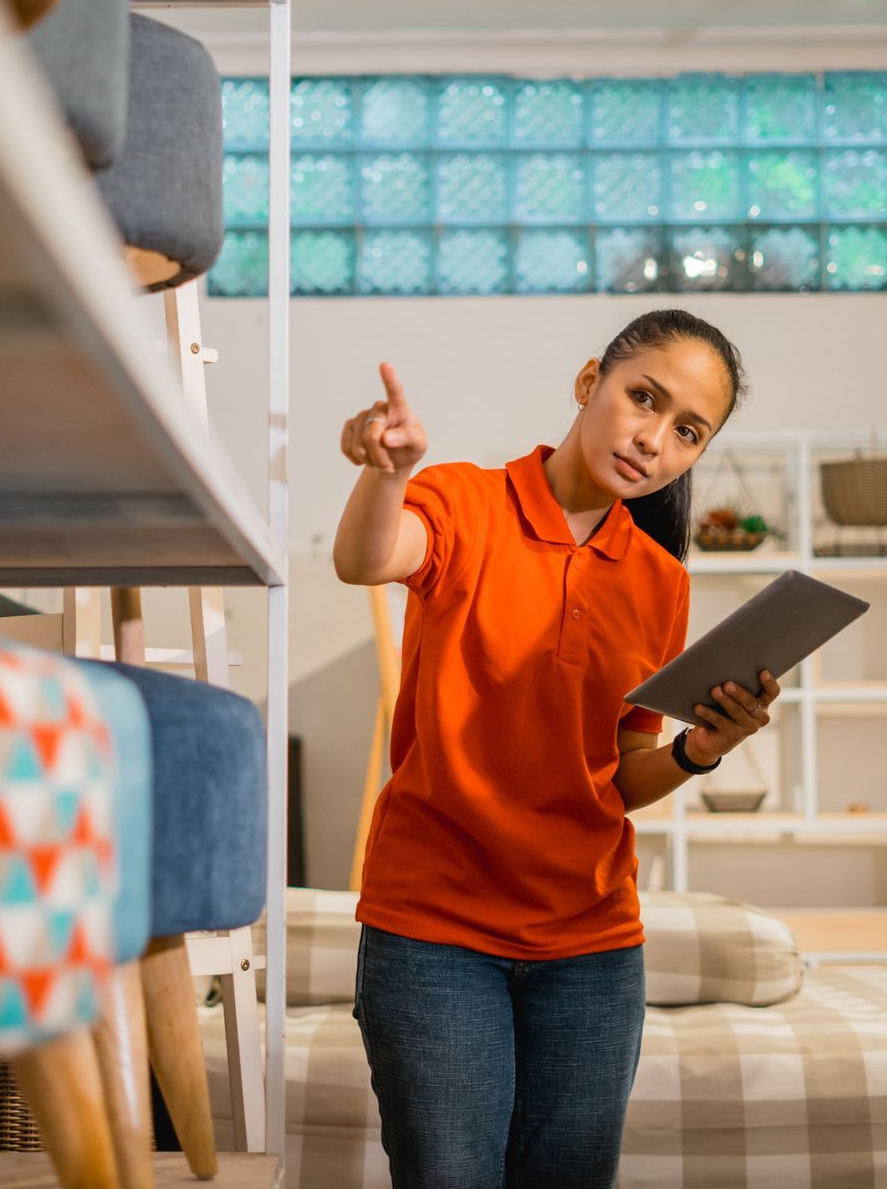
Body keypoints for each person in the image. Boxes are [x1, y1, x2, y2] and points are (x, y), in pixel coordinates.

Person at [332, 309, 780, 1189]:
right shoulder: (463, 500)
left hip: (593, 945)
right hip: (434, 933)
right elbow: (367, 557)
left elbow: (618, 777)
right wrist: (387, 475)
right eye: (641, 398)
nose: (653, 440)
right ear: (589, 384)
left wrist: (700, 751)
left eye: (687, 431)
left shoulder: (660, 582)